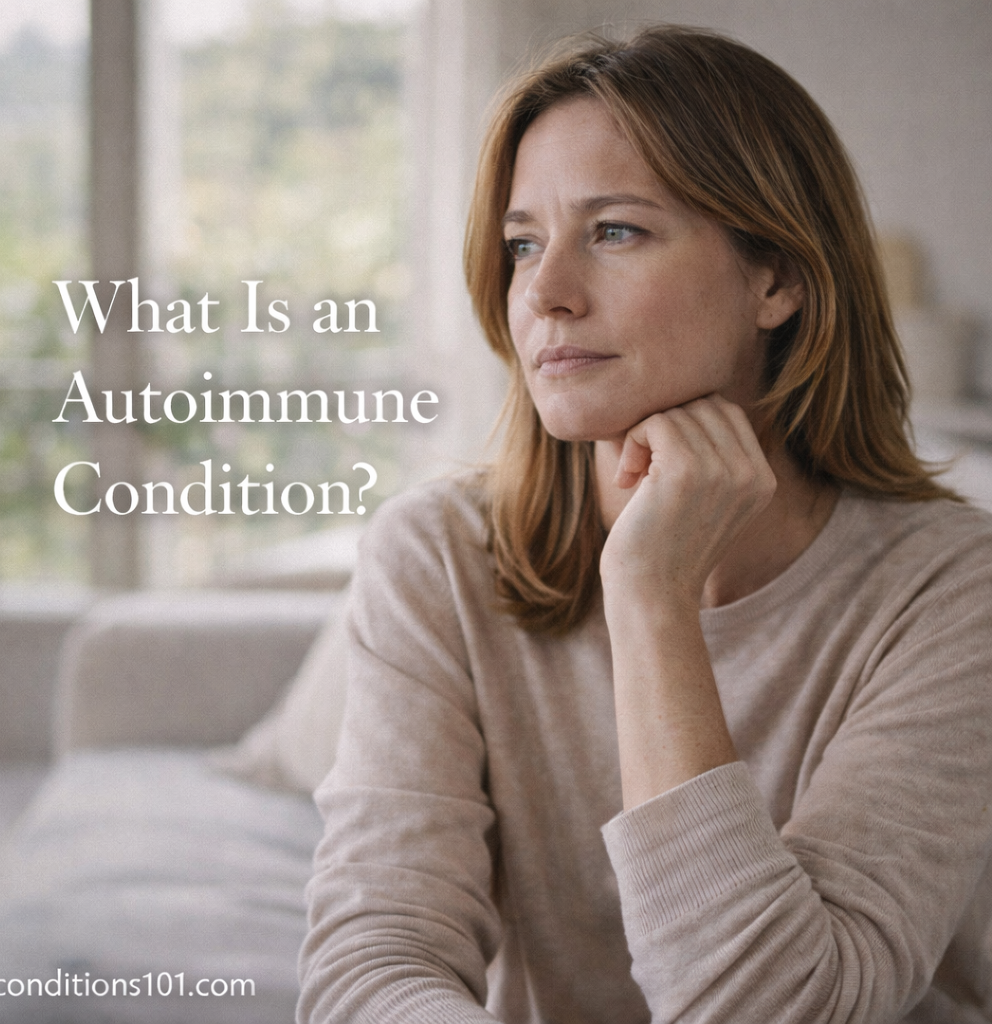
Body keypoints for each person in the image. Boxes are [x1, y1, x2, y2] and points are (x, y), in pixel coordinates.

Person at [298, 25, 992, 1024]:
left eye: (614, 231)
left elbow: (774, 1011)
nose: (543, 293)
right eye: (522, 243)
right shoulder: (436, 555)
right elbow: (375, 958)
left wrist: (651, 599)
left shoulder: (952, 588)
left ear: (776, 278)